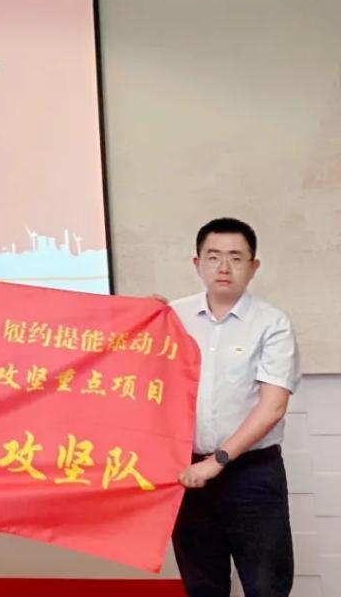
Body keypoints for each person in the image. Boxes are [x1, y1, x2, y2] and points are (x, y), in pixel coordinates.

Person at [171, 218, 299, 597]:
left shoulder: (272, 324)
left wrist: (218, 461)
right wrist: (142, 315)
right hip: (189, 474)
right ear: (197, 264)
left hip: (251, 475)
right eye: (213, 257)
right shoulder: (172, 318)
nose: (223, 267)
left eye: (235, 257)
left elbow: (273, 407)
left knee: (266, 586)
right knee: (203, 585)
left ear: (254, 266)